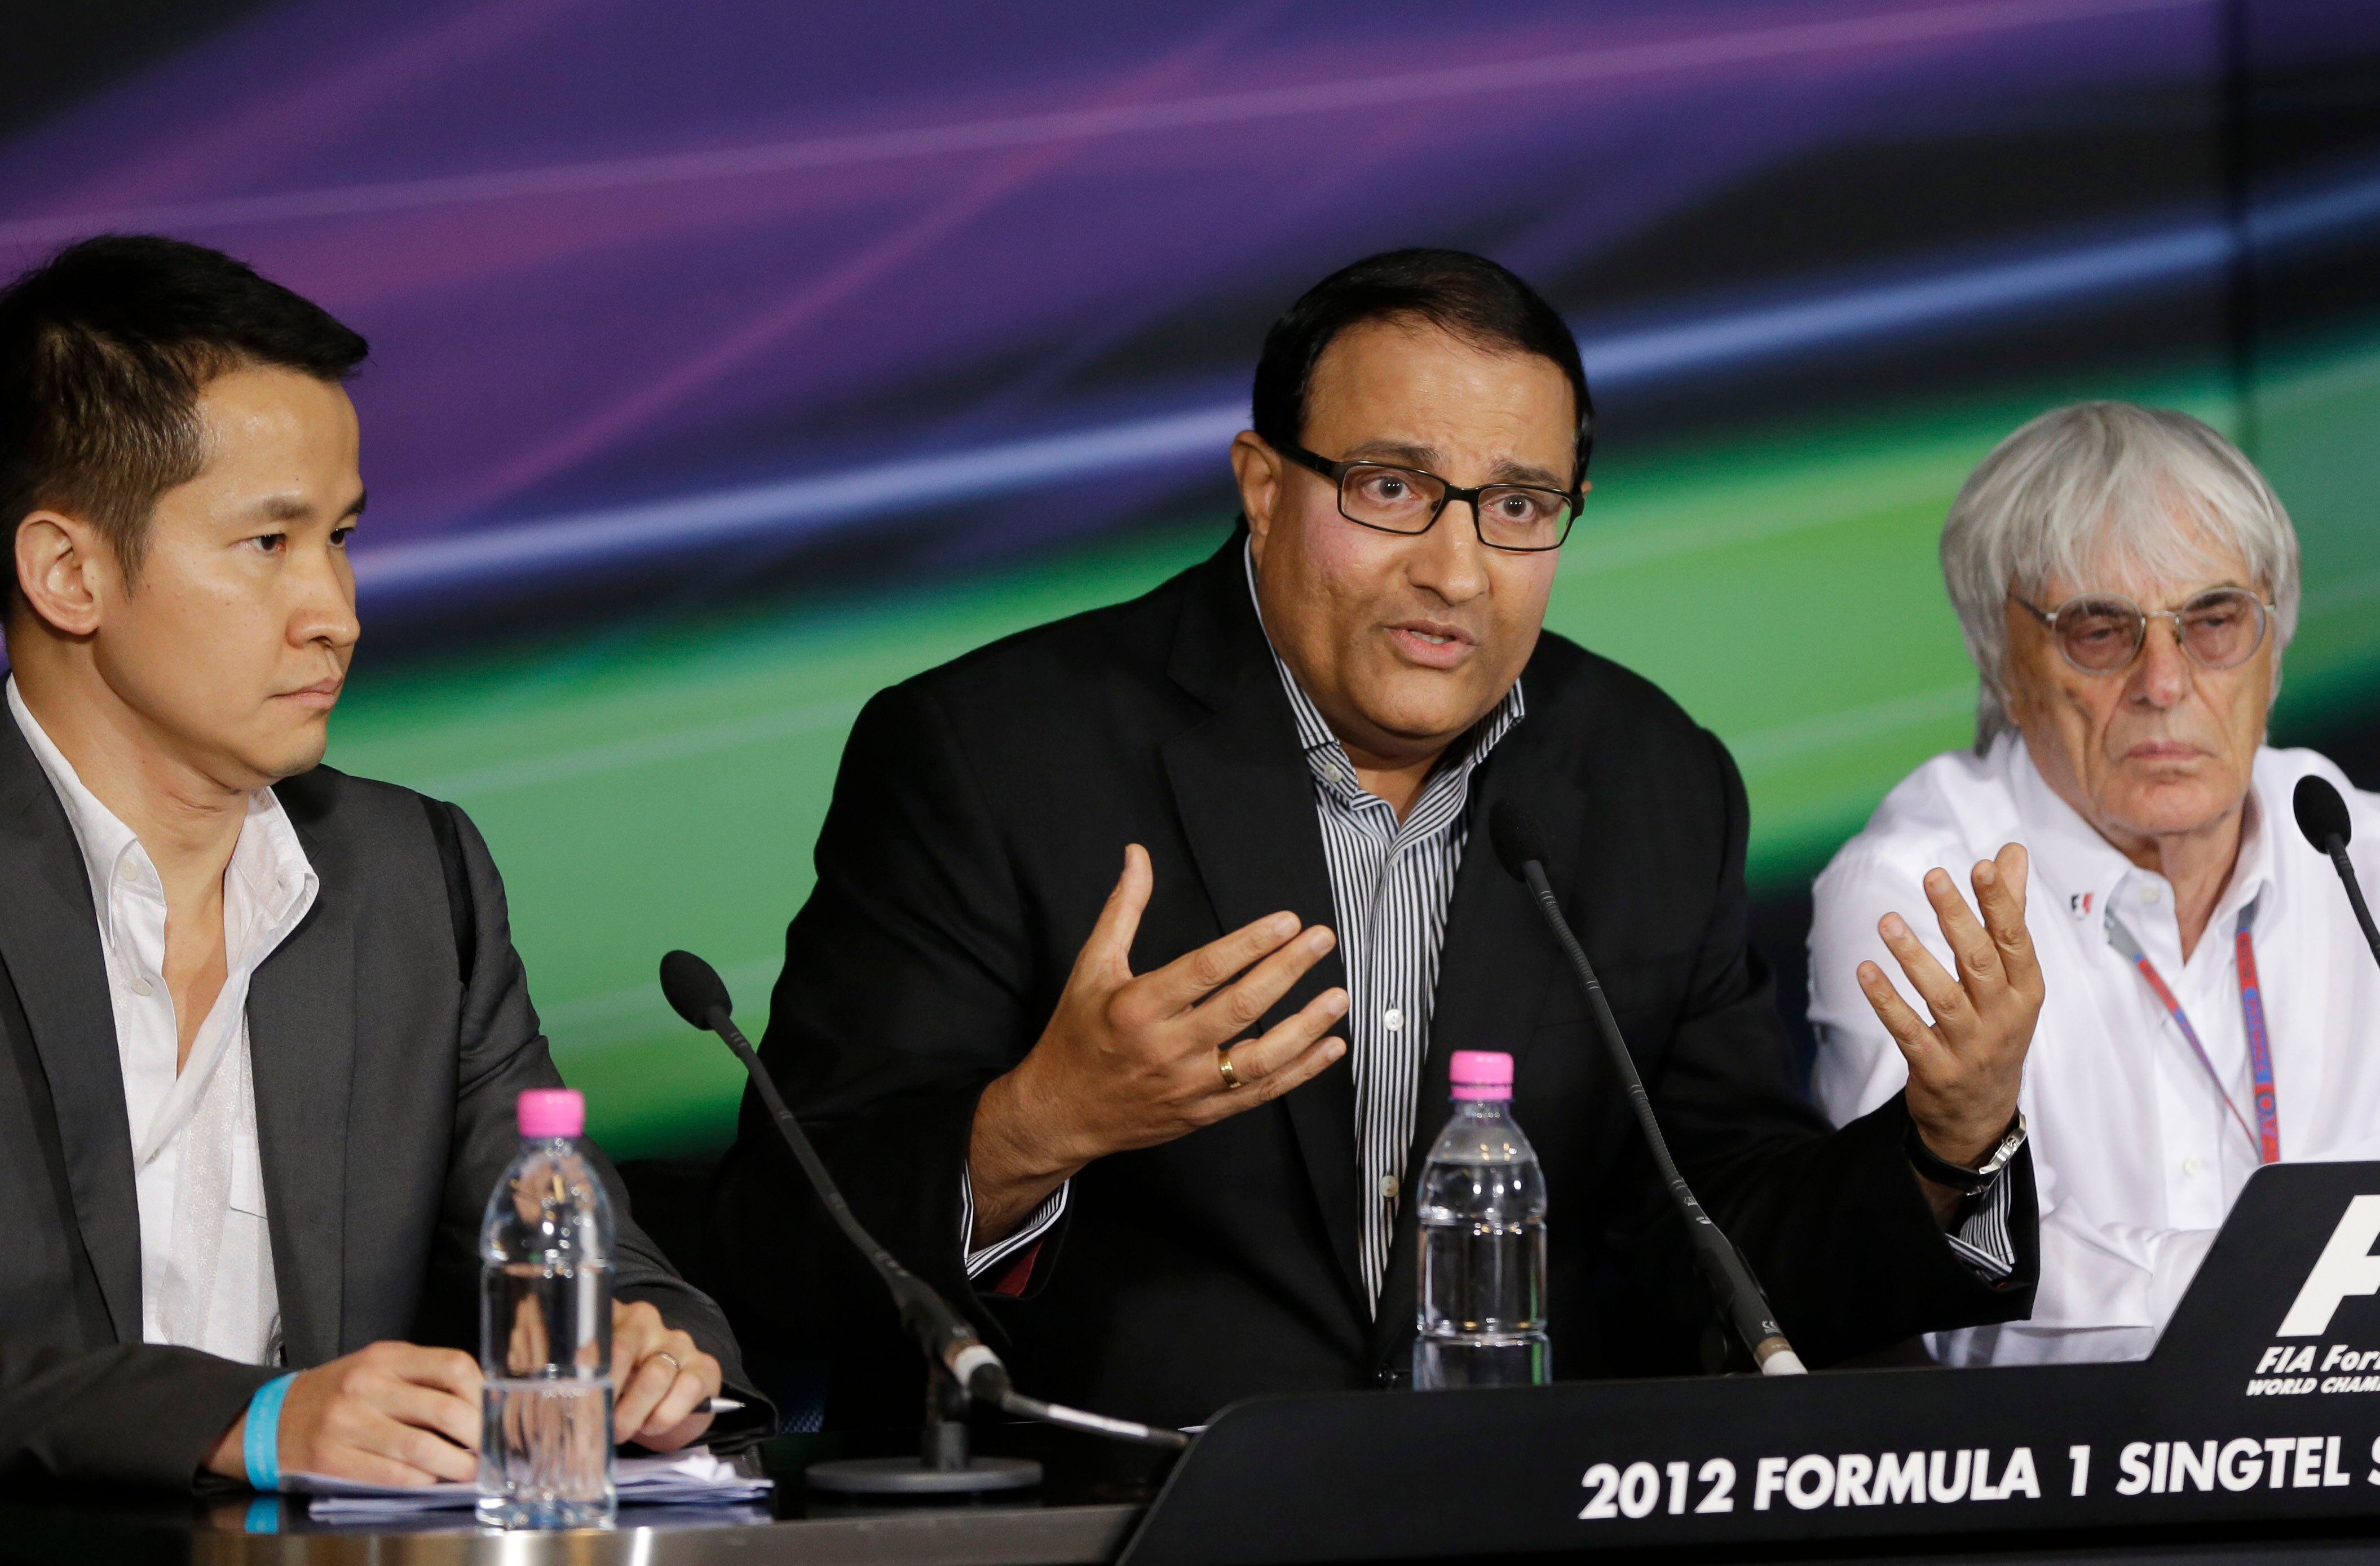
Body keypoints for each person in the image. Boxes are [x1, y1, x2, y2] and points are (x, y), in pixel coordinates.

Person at [714, 249, 2044, 1434]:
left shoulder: (1652, 780)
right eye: (1393, 487)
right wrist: (1038, 1125)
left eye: (1520, 506)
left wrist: (1946, 1146)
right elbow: (783, 1243)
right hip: (1119, 1527)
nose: (1457, 569)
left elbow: (1725, 1239)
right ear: (1262, 486)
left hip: (1517, 1530)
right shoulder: (993, 755)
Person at [0, 236, 754, 1490]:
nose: (337, 609)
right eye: (269, 544)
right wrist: (252, 1424)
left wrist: (649, 1349)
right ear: (70, 572)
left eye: (341, 536)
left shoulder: (411, 878)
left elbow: (587, 1247)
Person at [1808, 401, 2380, 1368]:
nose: (2164, 680)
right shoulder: (1918, 895)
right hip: (2064, 1484)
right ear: (2003, 662)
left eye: (2213, 622)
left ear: (2275, 645)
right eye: (2099, 630)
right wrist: (2340, 1279)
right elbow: (1956, 1277)